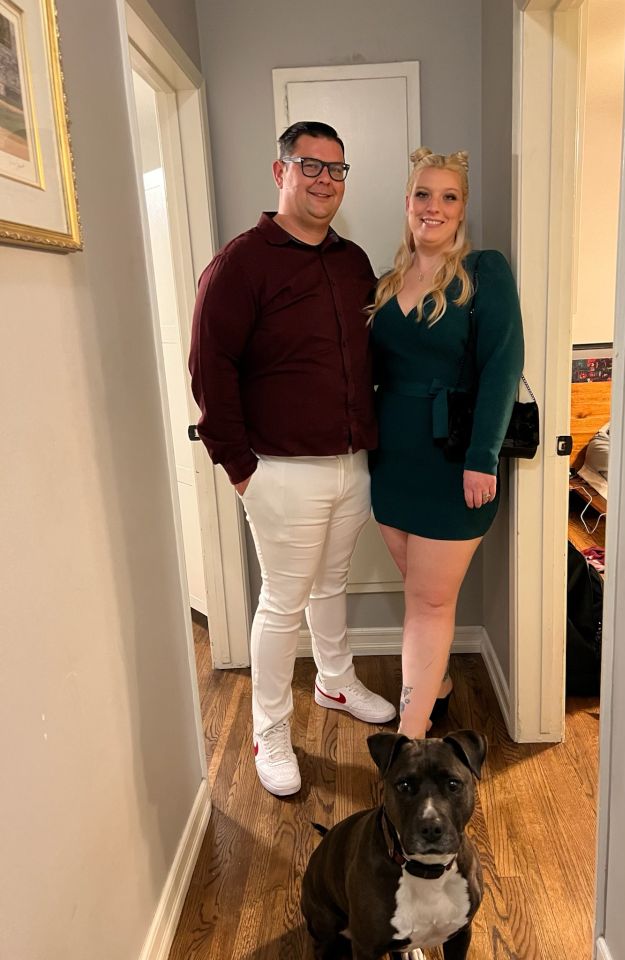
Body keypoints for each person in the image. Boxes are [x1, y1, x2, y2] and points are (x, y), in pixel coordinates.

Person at [189, 121, 396, 797]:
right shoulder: (240, 264)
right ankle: (270, 729)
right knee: (282, 604)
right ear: (281, 172)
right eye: (310, 165)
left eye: (336, 169)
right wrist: (240, 468)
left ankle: (335, 682)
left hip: (351, 463)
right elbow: (209, 368)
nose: (324, 180)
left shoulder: (352, 261)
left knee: (331, 584)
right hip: (279, 471)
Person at [368, 147, 524, 738]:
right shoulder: (386, 283)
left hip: (454, 460)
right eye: (423, 195)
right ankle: (438, 687)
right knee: (421, 596)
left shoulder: (484, 271)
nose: (434, 207)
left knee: (429, 604)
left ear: (462, 209)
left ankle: (408, 741)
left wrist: (482, 458)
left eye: (449, 197)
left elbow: (502, 365)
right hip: (392, 461)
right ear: (407, 203)